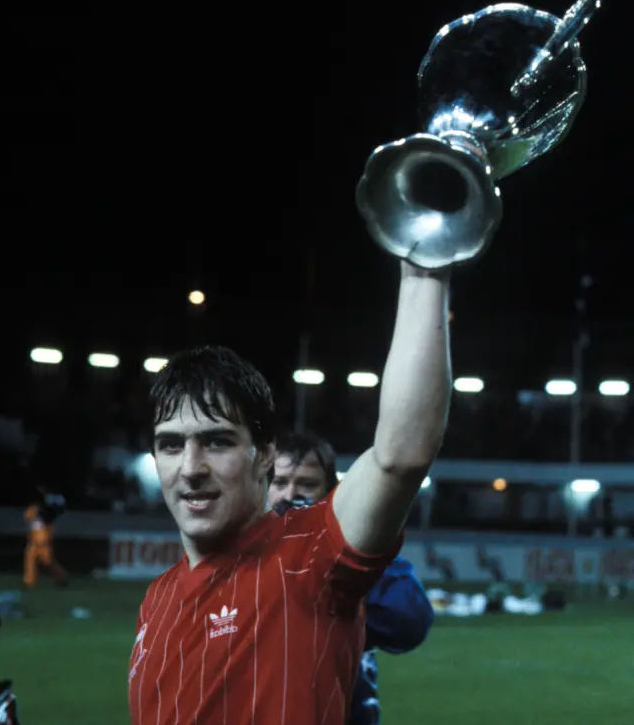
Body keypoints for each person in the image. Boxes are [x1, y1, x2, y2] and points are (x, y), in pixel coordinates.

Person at [128, 261, 451, 725]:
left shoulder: (310, 552)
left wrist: (425, 268)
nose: (191, 468)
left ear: (264, 455)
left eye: (217, 441)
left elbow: (402, 454)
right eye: (171, 444)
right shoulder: (155, 600)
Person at [268, 431, 435, 725]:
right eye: (279, 482)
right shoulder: (243, 558)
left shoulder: (357, 549)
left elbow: (410, 622)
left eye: (306, 484)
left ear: (331, 492)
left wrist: (330, 562)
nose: (290, 494)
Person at [23, 486, 68, 589]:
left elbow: (47, 518)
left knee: (47, 561)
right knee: (30, 558)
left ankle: (61, 578)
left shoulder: (48, 510)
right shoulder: (33, 509)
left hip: (44, 539)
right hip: (35, 538)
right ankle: (30, 582)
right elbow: (29, 521)